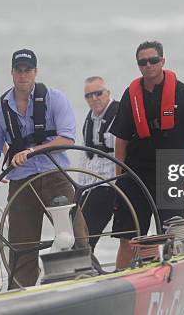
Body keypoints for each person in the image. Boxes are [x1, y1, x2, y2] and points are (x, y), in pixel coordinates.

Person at [0, 48, 87, 288]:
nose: (23, 75)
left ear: (35, 72)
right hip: (22, 182)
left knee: (77, 235)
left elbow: (67, 138)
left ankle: (83, 279)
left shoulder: (55, 98)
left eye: (27, 70)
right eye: (18, 70)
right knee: (21, 246)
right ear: (11, 73)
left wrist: (32, 152)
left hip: (55, 176)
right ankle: (20, 293)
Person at [110, 41, 184, 269]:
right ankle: (122, 277)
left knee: (173, 238)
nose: (148, 65)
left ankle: (170, 277)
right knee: (128, 239)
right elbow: (120, 141)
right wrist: (119, 180)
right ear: (138, 65)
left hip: (170, 176)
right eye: (143, 62)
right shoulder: (130, 95)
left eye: (153, 60)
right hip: (135, 176)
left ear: (163, 61)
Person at [78, 76, 119, 252]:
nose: (94, 99)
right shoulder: (89, 120)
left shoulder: (120, 115)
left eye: (98, 93)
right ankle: (83, 262)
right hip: (88, 186)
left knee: (85, 235)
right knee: (73, 228)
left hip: (109, 185)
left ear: (108, 93)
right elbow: (87, 156)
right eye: (89, 96)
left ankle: (84, 260)